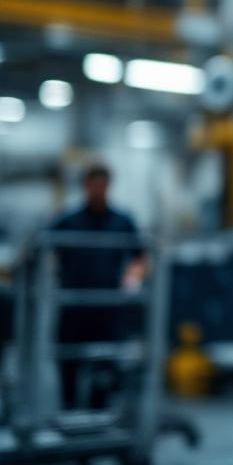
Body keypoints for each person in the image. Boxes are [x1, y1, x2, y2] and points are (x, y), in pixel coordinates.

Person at [49, 162, 145, 409]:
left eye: (102, 184)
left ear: (109, 185)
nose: (98, 190)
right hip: (73, 307)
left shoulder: (122, 222)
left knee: (104, 367)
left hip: (107, 309)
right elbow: (47, 253)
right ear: (86, 185)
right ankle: (68, 416)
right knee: (68, 366)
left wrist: (131, 281)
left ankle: (98, 417)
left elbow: (140, 257)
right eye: (94, 184)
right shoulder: (68, 221)